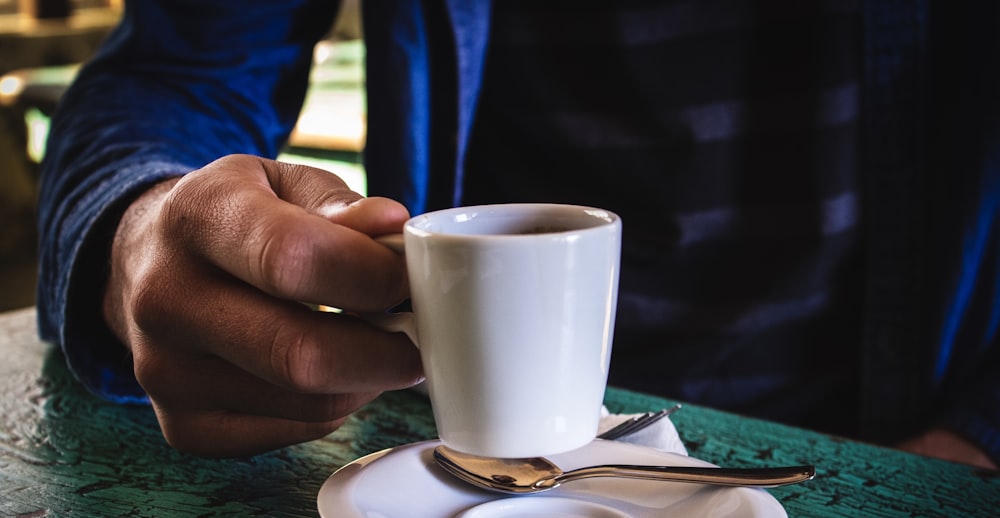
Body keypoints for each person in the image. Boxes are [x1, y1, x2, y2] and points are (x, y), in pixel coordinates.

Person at [37, 0, 1000, 469]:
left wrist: (972, 444)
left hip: (891, 457)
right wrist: (142, 230)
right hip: (473, 469)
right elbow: (174, 73)